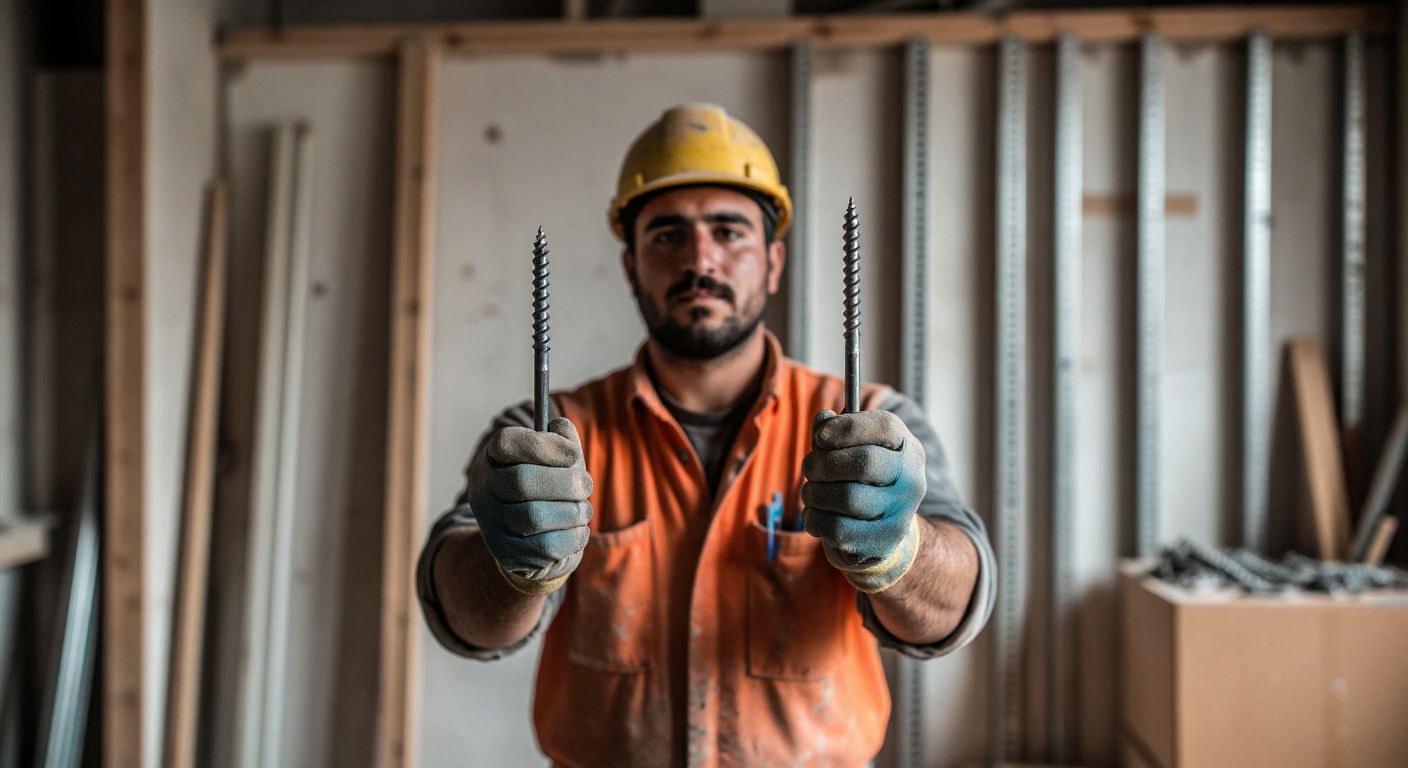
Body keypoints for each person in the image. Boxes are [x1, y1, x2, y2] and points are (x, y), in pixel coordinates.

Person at [416, 103, 995, 767]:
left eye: (729, 231)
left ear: (773, 262)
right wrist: (505, 564)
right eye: (667, 235)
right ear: (631, 266)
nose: (700, 258)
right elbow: (462, 619)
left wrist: (903, 550)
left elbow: (958, 606)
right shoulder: (548, 437)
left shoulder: (869, 426)